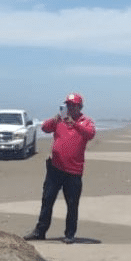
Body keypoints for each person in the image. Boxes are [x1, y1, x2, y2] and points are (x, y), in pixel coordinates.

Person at [23, 92, 96, 244]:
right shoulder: (59, 120)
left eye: (73, 105)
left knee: (72, 204)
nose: (70, 108)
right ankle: (40, 231)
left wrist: (74, 124)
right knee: (47, 201)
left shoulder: (85, 121)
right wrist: (55, 119)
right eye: (68, 105)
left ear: (79, 107)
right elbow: (44, 128)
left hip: (74, 172)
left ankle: (70, 234)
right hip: (55, 169)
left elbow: (90, 134)